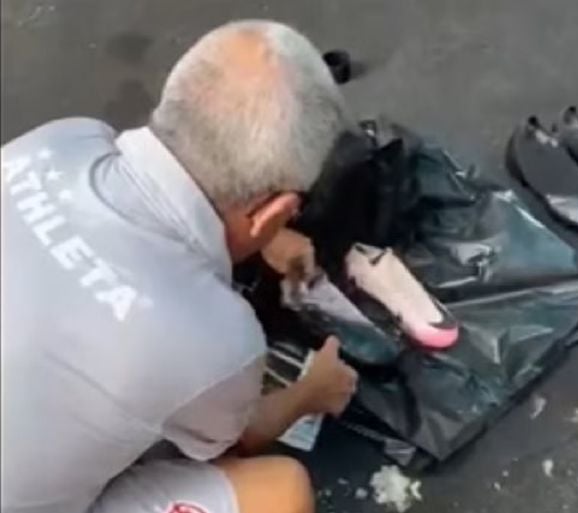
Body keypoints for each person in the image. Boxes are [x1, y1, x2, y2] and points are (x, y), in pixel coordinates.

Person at [1, 20, 358, 513]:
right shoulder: (218, 342)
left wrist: (259, 234)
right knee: (281, 491)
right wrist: (312, 393)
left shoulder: (62, 142)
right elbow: (236, 443)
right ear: (272, 211)